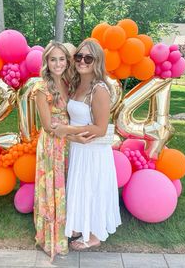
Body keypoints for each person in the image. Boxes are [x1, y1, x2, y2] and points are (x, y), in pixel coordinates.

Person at [53, 40, 121, 250]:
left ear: (97, 61)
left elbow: (100, 128)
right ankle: (78, 224)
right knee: (80, 188)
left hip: (93, 151)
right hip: (79, 147)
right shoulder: (76, 82)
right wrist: (71, 136)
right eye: (79, 57)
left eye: (88, 58)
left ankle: (93, 235)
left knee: (92, 189)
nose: (82, 61)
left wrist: (66, 131)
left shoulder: (99, 89)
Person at [33, 41, 71, 260]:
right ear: (46, 62)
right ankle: (52, 238)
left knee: (66, 187)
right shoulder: (41, 88)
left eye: (62, 59)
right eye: (53, 59)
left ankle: (69, 230)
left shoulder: (69, 83)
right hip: (52, 145)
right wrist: (74, 133)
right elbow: (48, 126)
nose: (58, 63)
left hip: (69, 143)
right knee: (53, 189)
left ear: (67, 61)